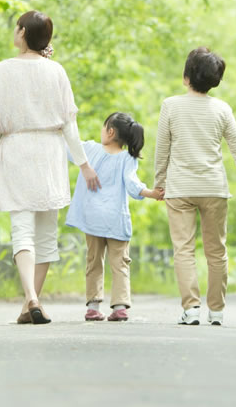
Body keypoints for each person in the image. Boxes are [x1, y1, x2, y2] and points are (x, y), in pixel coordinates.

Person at [0, 10, 99, 324]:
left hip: (16, 151)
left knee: (22, 231)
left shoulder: (0, 71)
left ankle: (30, 300)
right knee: (45, 234)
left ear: (21, 33)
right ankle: (32, 301)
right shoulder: (56, 71)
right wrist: (84, 164)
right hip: (49, 153)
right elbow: (70, 126)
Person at [155, 47, 236, 326]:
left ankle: (191, 309)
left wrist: (159, 184)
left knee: (184, 250)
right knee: (217, 251)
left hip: (180, 188)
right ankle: (216, 311)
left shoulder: (170, 105)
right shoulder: (222, 109)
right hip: (214, 187)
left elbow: (162, 150)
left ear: (186, 76)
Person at [66, 112, 164, 322]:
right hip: (115, 219)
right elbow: (131, 184)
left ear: (110, 132)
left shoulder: (90, 150)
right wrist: (151, 193)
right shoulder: (127, 158)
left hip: (92, 218)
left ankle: (93, 306)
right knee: (120, 263)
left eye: (103, 127)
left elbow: (67, 146)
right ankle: (119, 306)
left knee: (93, 261)